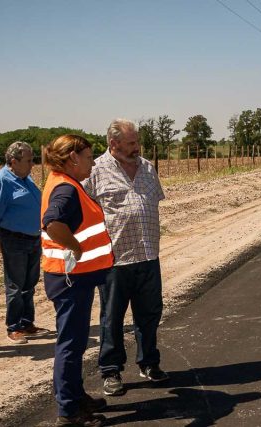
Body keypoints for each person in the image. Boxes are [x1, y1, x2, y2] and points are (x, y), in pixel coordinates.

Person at [82, 119, 169, 398]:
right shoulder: (95, 170)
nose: (137, 147)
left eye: (137, 142)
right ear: (114, 143)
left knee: (150, 314)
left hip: (147, 253)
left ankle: (149, 363)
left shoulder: (147, 167)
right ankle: (110, 370)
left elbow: (152, 203)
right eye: (131, 143)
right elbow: (83, 211)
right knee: (112, 318)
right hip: (114, 259)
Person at [41, 134, 113, 426]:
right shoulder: (66, 190)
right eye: (88, 156)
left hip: (71, 278)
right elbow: (53, 222)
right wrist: (76, 246)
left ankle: (74, 395)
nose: (92, 162)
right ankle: (69, 412)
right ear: (73, 158)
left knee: (73, 341)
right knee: (71, 344)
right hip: (71, 279)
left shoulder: (65, 183)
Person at [0, 141, 51, 344]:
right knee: (15, 285)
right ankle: (14, 327)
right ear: (14, 161)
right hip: (14, 239)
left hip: (33, 238)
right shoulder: (3, 181)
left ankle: (27, 323)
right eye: (29, 160)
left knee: (29, 284)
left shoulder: (24, 177)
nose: (32, 164)